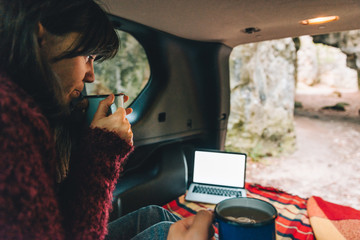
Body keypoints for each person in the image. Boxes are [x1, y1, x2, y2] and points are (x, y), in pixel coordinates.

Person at [0, 0, 214, 239]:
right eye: (87, 56)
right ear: (38, 38)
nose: (91, 76)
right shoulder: (10, 118)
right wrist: (101, 153)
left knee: (155, 215)